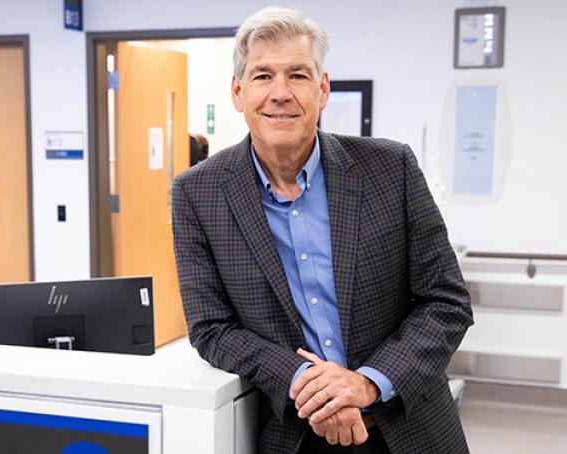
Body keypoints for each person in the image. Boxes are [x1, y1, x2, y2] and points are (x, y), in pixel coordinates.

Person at [170, 6, 473, 454]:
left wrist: (368, 383)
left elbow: (446, 302)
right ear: (237, 92)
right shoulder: (197, 193)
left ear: (323, 89)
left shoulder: (391, 168)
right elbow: (211, 327)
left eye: (297, 74)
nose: (280, 93)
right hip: (297, 432)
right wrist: (309, 384)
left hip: (411, 424)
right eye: (262, 76)